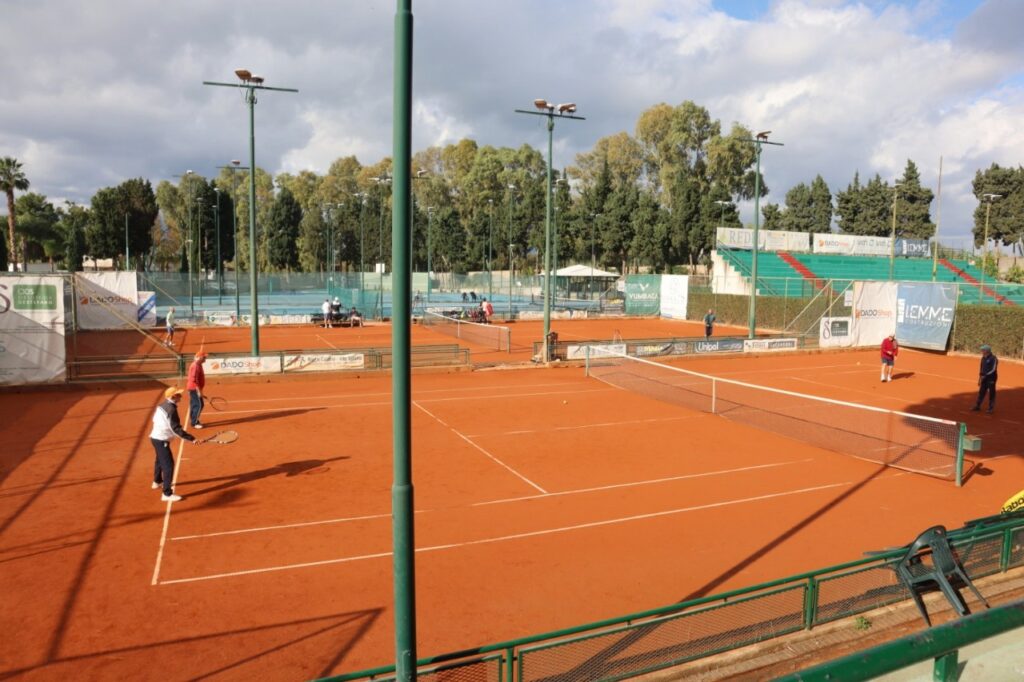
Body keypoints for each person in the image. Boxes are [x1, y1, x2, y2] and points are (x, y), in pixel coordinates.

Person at [150, 386, 199, 502]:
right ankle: (166, 494)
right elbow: (176, 429)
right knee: (168, 465)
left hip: (155, 438)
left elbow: (154, 420)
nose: (180, 396)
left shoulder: (162, 405)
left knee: (159, 460)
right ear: (173, 397)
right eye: (178, 394)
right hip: (161, 440)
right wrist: (192, 439)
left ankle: (157, 482)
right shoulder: (171, 409)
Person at [972, 344, 998, 413]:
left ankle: (990, 408)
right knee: (981, 392)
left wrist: (985, 375)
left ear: (987, 351)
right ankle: (977, 406)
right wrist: (980, 377)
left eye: (983, 350)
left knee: (991, 393)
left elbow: (993, 369)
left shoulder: (993, 358)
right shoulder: (983, 358)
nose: (981, 351)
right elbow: (981, 368)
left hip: (991, 379)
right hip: (984, 378)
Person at [186, 351, 208, 429]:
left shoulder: (198, 365)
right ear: (199, 357)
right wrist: (199, 391)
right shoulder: (195, 366)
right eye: (204, 357)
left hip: (193, 388)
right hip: (194, 388)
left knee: (194, 404)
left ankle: (193, 420)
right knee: (199, 405)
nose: (205, 358)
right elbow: (194, 380)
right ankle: (194, 422)